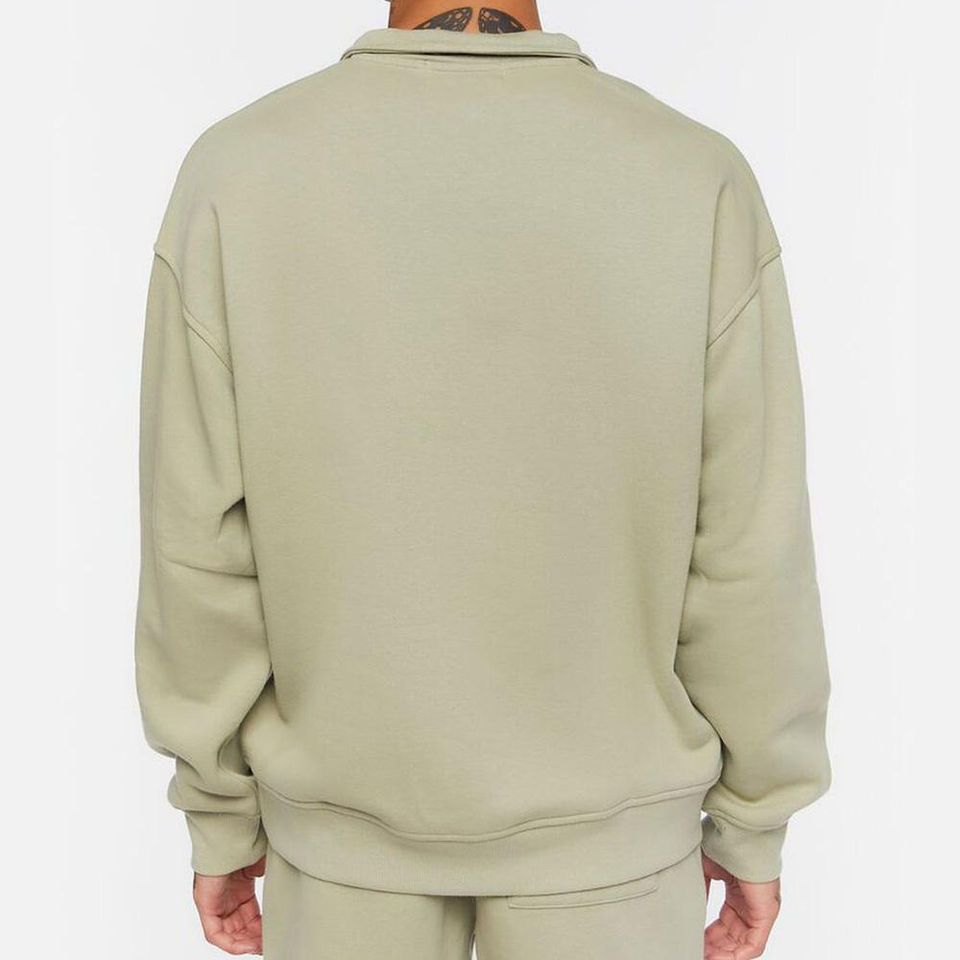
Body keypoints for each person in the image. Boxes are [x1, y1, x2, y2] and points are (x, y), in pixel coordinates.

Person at [134, 1, 831, 957]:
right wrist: (754, 822)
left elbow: (195, 542)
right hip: (615, 864)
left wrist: (217, 813)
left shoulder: (238, 174)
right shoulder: (693, 176)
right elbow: (749, 548)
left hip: (338, 855)